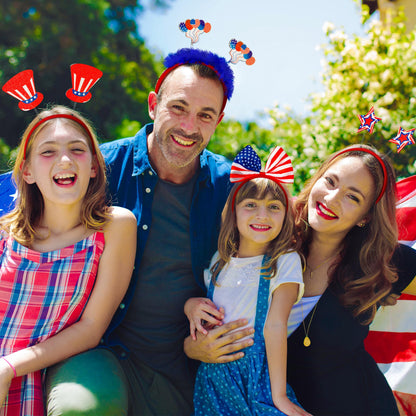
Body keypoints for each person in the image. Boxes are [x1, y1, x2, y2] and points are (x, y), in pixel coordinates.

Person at [45, 49, 255, 415]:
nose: (189, 127)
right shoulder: (98, 169)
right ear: (153, 104)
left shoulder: (232, 188)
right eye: (178, 108)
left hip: (183, 365)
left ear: (218, 121)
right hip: (94, 350)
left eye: (205, 115)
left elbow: (268, 265)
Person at [0, 105, 136, 415]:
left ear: (93, 167)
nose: (65, 160)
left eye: (77, 149)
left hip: (31, 370)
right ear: (27, 171)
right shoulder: (5, 231)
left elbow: (91, 328)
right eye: (48, 152)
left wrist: (8, 367)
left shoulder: (114, 227)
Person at [284, 144, 416, 415]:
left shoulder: (380, 262)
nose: (331, 198)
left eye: (352, 197)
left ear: (365, 218)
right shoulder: (272, 243)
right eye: (330, 181)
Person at [184, 145, 311, 416]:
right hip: (213, 379)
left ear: (285, 215)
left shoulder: (283, 261)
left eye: (273, 207)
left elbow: (275, 326)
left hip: (258, 378)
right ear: (233, 212)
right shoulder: (220, 261)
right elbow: (204, 304)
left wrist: (279, 397)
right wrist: (190, 306)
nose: (262, 215)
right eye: (251, 205)